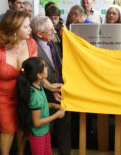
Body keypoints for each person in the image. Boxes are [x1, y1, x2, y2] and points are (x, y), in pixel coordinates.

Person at [0, 10, 38, 155]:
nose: (30, 29)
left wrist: (48, 86)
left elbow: (35, 72)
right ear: (14, 29)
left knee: (23, 126)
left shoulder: (31, 44)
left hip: (21, 93)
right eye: (26, 27)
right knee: (8, 128)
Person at [31, 16, 71, 155]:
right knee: (47, 131)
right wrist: (50, 87)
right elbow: (33, 72)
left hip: (63, 91)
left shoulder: (55, 38)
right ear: (38, 33)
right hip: (43, 94)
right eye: (50, 30)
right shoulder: (31, 46)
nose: (54, 31)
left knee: (65, 130)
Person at [16, 57, 65, 155]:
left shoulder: (38, 86)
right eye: (45, 67)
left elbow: (41, 106)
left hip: (44, 131)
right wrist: (56, 115)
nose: (47, 68)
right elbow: (37, 122)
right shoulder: (34, 96)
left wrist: (54, 106)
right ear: (39, 75)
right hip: (38, 135)